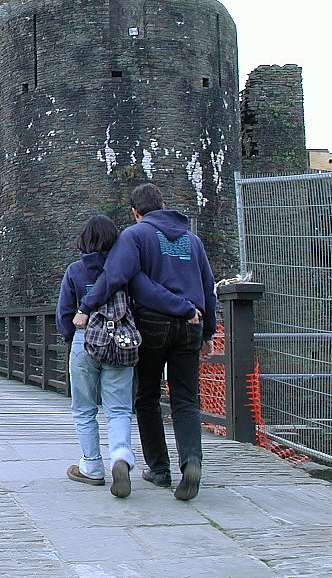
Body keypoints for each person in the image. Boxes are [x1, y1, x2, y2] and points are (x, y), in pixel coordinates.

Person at [72, 183, 217, 501]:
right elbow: (208, 285)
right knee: (186, 400)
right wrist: (208, 332)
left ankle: (159, 469)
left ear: (136, 212)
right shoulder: (193, 241)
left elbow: (115, 276)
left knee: (147, 397)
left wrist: (85, 307)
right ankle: (191, 462)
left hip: (152, 324)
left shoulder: (135, 236)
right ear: (163, 204)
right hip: (191, 324)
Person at [57, 214, 189, 499]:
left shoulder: (76, 271)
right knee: (119, 409)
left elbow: (65, 314)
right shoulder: (127, 271)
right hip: (121, 342)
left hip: (85, 342)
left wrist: (74, 339)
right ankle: (120, 456)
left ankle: (92, 466)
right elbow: (145, 300)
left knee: (84, 409)